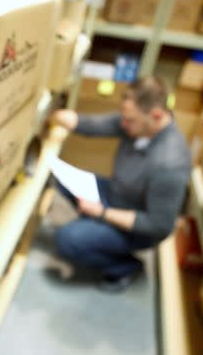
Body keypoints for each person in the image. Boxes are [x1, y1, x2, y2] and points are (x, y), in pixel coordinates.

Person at [48, 76, 191, 288]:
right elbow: (88, 124)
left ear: (157, 116)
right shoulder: (137, 122)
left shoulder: (170, 162)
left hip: (137, 226)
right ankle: (95, 229)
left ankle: (125, 267)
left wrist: (102, 214)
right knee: (60, 177)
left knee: (67, 240)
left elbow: (158, 225)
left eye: (129, 120)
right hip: (117, 194)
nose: (122, 124)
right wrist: (48, 113)